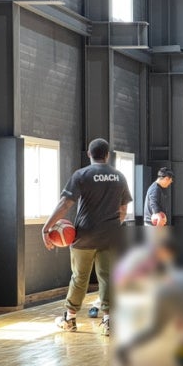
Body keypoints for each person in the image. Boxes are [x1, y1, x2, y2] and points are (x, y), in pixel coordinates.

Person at [41, 138, 132, 336]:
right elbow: (123, 210)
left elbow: (65, 204)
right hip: (110, 236)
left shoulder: (81, 174)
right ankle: (109, 322)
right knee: (107, 277)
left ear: (89, 154)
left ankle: (70, 319)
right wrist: (111, 226)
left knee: (79, 277)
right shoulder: (119, 176)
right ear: (107, 155)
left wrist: (47, 228)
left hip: (85, 236)